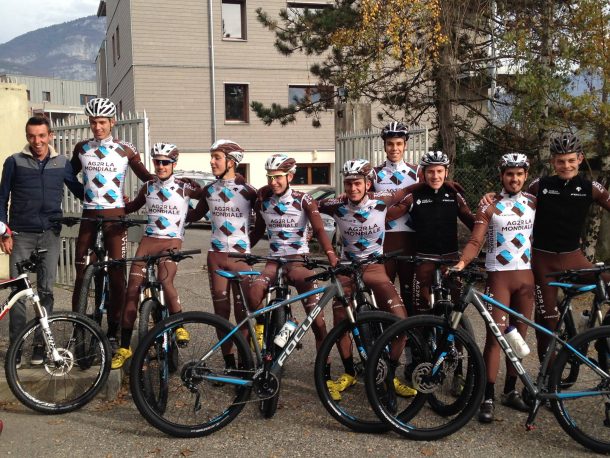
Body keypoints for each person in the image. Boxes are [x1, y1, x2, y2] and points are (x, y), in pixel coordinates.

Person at [318, 159, 414, 401]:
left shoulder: (381, 202)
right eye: (348, 183)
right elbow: (311, 205)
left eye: (357, 183)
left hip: (373, 267)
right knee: (340, 321)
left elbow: (408, 193)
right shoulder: (337, 205)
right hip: (347, 269)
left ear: (367, 184)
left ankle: (390, 373)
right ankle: (350, 372)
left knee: (401, 322)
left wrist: (443, 185)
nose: (353, 188)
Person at [453, 153, 535, 423]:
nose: (514, 179)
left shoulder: (534, 202)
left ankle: (510, 391)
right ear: (501, 176)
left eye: (519, 174)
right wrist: (463, 262)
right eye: (509, 174)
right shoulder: (489, 205)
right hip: (499, 277)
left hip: (526, 279)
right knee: (496, 339)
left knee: (518, 339)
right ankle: (487, 396)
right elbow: (476, 241)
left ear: (525, 175)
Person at [70, 98, 153, 349]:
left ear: (112, 122)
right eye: (93, 122)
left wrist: (134, 205)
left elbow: (148, 179)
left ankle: (115, 326)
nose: (98, 127)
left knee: (118, 275)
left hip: (115, 215)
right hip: (89, 214)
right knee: (81, 272)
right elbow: (65, 175)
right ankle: (78, 326)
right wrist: (81, 192)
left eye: (102, 122)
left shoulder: (126, 149)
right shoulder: (82, 148)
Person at [0, 116, 83, 366]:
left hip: (50, 233)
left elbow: (79, 191)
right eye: (32, 136)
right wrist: (4, 232)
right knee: (18, 294)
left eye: (42, 136)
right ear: (27, 137)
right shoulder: (14, 162)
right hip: (21, 235)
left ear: (51, 136)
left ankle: (40, 345)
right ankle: (16, 347)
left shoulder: (62, 163)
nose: (37, 141)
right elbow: (2, 199)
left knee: (46, 291)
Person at [111, 143, 199, 369]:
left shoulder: (185, 187)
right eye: (157, 162)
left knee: (164, 279)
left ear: (174, 164)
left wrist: (193, 215)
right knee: (132, 289)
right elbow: (131, 207)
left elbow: (211, 196)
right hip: (148, 242)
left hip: (171, 241)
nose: (160, 166)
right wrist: (118, 204)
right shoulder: (148, 187)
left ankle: (179, 324)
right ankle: (124, 346)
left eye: (165, 162)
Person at [528, 134, 610, 359]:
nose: (566, 166)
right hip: (543, 261)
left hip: (574, 259)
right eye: (561, 161)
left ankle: (598, 335)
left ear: (580, 159)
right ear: (553, 161)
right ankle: (547, 380)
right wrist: (490, 198)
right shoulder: (540, 185)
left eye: (571, 160)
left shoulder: (590, 187)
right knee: (546, 322)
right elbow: (512, 201)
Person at [247, 154, 338, 353]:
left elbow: (320, 230)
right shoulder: (264, 201)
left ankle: (325, 371)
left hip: (298, 261)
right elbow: (257, 232)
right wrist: (241, 250)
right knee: (253, 295)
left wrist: (331, 256)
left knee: (317, 321)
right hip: (273, 261)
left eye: (278, 176)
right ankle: (264, 324)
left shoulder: (303, 199)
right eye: (269, 177)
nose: (273, 182)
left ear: (290, 176)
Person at [187, 139, 258, 372]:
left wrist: (249, 245)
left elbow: (265, 223)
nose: (212, 161)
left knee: (242, 313)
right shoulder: (209, 190)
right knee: (221, 313)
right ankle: (229, 364)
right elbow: (194, 215)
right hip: (216, 256)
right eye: (212, 157)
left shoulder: (249, 192)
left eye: (216, 157)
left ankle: (243, 364)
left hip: (241, 258)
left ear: (231, 162)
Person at [389, 151, 475, 314]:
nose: (435, 176)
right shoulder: (414, 196)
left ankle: (452, 340)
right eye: (430, 171)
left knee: (456, 314)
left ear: (446, 172)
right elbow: (386, 214)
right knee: (421, 312)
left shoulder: (454, 196)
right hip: (424, 262)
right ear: (423, 173)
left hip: (451, 262)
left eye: (439, 171)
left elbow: (476, 225)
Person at [372, 122, 421, 311]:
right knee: (385, 292)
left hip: (410, 239)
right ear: (384, 145)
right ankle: (385, 336)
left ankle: (411, 338)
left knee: (410, 293)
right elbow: (369, 207)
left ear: (405, 145)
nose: (395, 148)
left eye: (399, 144)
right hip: (384, 240)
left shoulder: (417, 172)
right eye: (390, 144)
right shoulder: (375, 174)